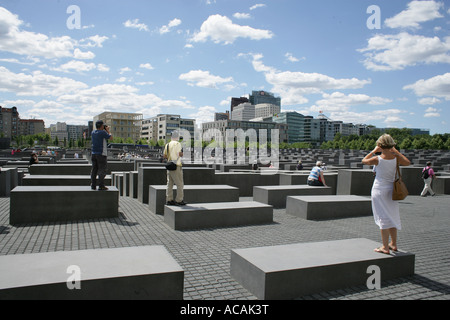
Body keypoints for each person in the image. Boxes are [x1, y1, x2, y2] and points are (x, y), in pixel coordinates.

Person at [362, 134, 410, 254]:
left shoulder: (377, 159)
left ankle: (385, 247)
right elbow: (407, 162)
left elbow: (364, 161)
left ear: (380, 145)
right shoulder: (396, 158)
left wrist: (373, 151)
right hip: (392, 190)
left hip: (379, 190)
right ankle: (393, 243)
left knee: (383, 217)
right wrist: (397, 152)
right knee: (392, 215)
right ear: (392, 145)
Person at [163, 131, 186, 206]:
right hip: (176, 166)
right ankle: (179, 200)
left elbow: (165, 156)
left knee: (169, 183)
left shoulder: (167, 145)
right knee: (180, 184)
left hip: (169, 165)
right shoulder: (178, 144)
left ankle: (169, 200)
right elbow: (180, 154)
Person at [90, 120, 112, 191]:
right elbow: (111, 138)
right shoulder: (103, 132)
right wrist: (108, 130)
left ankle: (93, 185)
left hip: (93, 153)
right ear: (101, 126)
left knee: (94, 170)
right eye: (103, 125)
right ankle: (101, 185)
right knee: (102, 169)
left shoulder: (93, 132)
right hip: (101, 154)